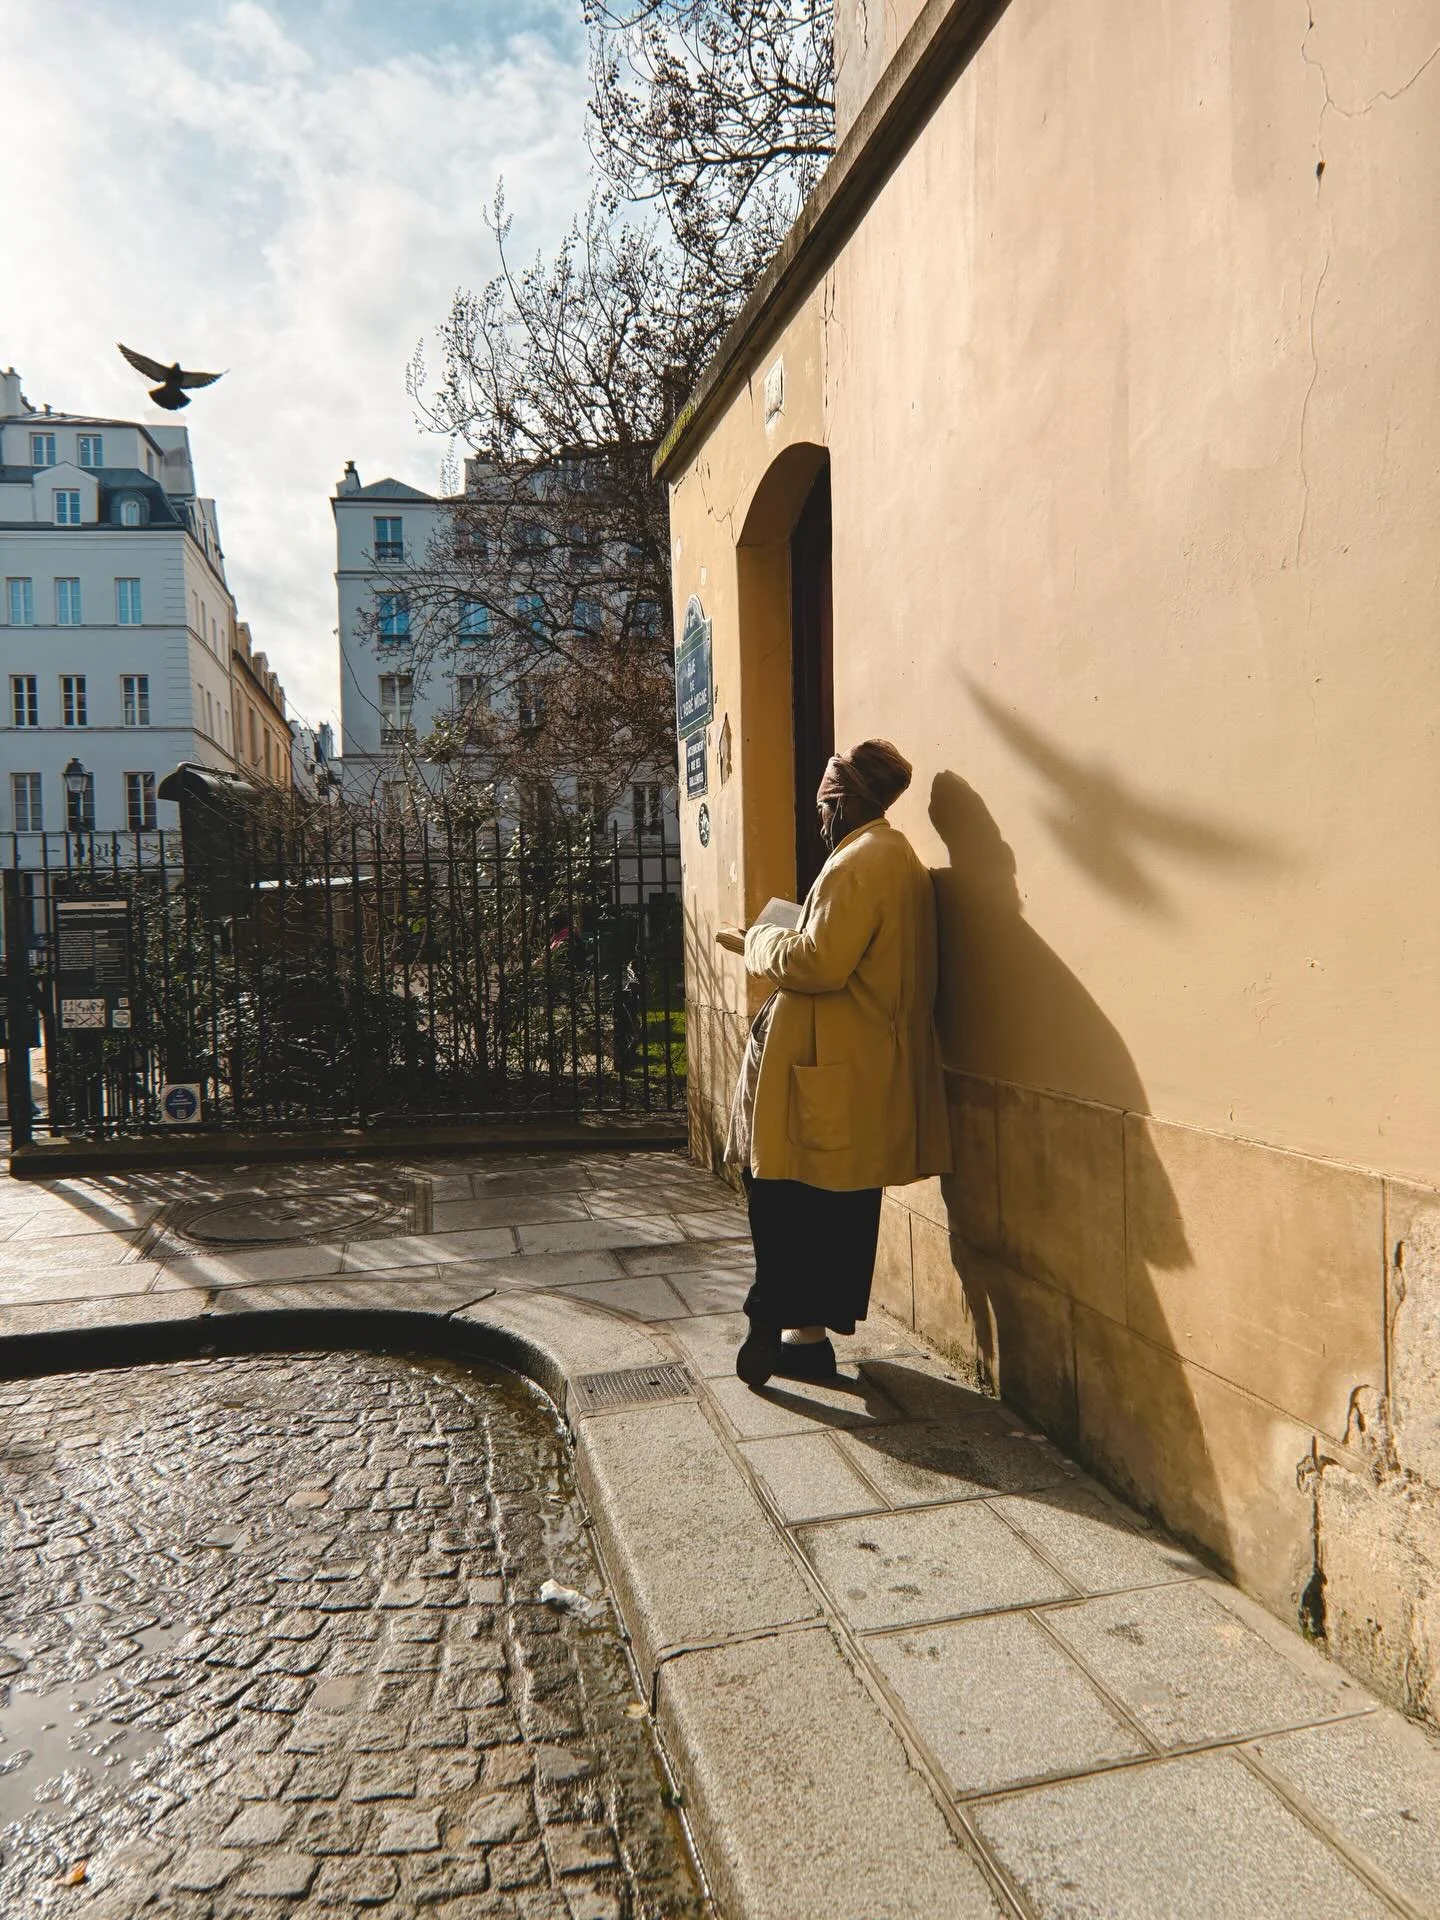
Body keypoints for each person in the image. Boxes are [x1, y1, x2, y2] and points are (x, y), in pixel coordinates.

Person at [715, 739, 951, 1387]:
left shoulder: (861, 863)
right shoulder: (891, 858)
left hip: (830, 1067)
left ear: (845, 803)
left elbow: (819, 963)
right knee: (833, 1207)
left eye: (824, 806)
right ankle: (805, 1337)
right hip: (849, 1065)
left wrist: (756, 938)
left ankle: (775, 1317)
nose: (819, 820)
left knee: (784, 1199)